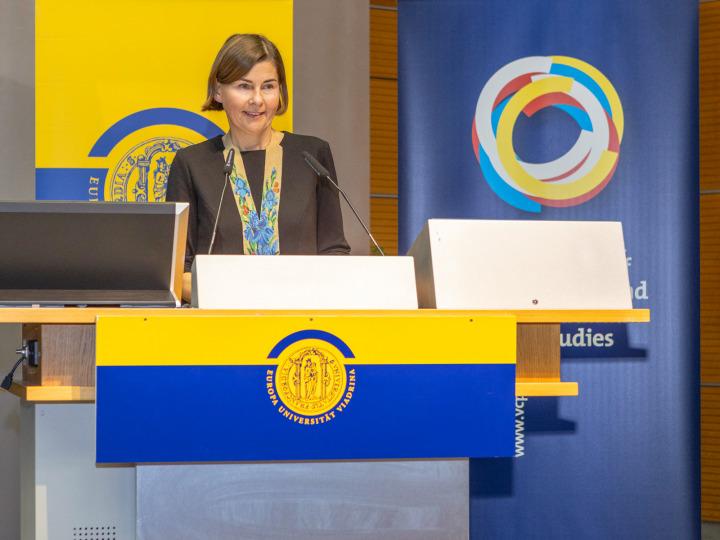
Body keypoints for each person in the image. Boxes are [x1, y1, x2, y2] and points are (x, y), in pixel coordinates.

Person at [166, 34, 350, 301]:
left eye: (268, 86)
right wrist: (243, 294)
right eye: (244, 86)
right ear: (218, 91)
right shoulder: (191, 164)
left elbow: (334, 253)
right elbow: (177, 273)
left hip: (301, 326)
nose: (257, 100)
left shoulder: (313, 155)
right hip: (221, 328)